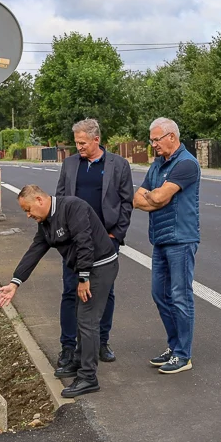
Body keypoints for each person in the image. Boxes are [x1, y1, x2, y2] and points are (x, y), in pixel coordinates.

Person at [0, 185, 119, 398]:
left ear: (40, 200)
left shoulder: (72, 207)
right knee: (82, 316)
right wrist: (15, 282)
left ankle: (89, 377)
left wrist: (83, 277)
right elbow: (34, 251)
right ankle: (79, 362)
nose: (28, 215)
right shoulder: (46, 223)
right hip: (85, 268)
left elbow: (84, 242)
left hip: (100, 266)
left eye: (28, 209)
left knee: (88, 320)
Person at [55, 118, 133, 368]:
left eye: (83, 142)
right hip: (75, 242)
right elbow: (59, 199)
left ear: (96, 140)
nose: (78, 147)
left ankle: (101, 342)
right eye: (76, 142)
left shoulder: (118, 165)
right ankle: (68, 348)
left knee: (104, 293)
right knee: (70, 292)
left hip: (105, 243)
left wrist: (115, 236)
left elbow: (126, 202)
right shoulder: (69, 164)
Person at [133, 117, 201, 374]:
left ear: (172, 136)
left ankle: (183, 355)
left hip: (181, 239)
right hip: (160, 238)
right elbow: (137, 199)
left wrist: (154, 197)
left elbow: (158, 196)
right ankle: (174, 347)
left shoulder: (186, 164)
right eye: (151, 140)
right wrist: (154, 198)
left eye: (156, 140)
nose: (153, 145)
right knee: (159, 294)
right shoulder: (158, 165)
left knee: (180, 296)